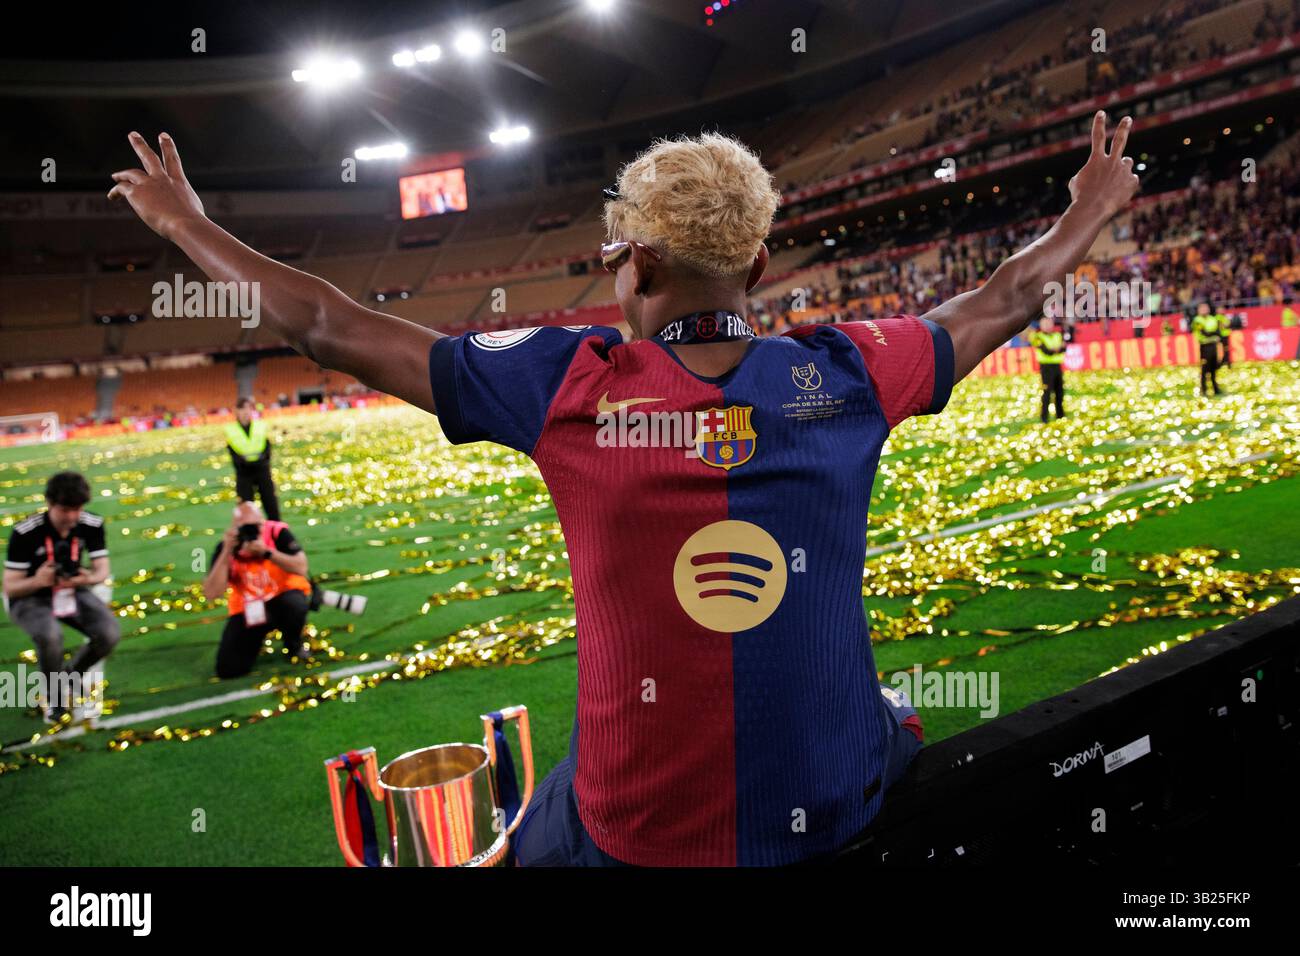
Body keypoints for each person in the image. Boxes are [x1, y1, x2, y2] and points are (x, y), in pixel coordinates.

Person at [107, 110, 1140, 866]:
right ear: (760, 263)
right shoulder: (853, 371)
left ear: (636, 267)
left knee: (530, 826)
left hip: (638, 834)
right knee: (890, 711)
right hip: (835, 809)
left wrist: (187, 224)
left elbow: (327, 325)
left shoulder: (567, 383)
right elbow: (1005, 294)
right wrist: (1087, 209)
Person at [3, 471, 120, 722]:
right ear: (49, 503)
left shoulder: (91, 524)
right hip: (30, 595)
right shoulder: (26, 532)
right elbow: (10, 587)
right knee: (50, 636)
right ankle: (55, 699)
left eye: (77, 509)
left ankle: (72, 674)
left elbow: (102, 570)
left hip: (71, 588)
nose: (73, 517)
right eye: (65, 510)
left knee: (109, 632)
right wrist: (38, 580)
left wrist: (84, 578)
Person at [202, 501, 311, 679]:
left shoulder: (277, 532)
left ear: (263, 521)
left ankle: (293, 643)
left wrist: (267, 552)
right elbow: (211, 593)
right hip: (248, 609)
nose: (251, 532)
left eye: (256, 526)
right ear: (235, 528)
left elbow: (301, 567)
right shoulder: (226, 547)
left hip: (282, 600)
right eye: (245, 527)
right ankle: (254, 642)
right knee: (229, 669)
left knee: (294, 604)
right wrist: (227, 551)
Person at [225, 397, 280, 520]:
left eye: (248, 408)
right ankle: (249, 536)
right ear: (236, 411)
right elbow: (232, 452)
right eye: (242, 408)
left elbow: (267, 448)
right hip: (244, 472)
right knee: (246, 507)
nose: (245, 412)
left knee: (270, 503)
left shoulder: (260, 426)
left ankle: (276, 532)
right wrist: (243, 463)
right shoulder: (230, 429)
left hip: (262, 469)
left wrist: (263, 461)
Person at [1027, 314, 1067, 422]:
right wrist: (1056, 349)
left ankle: (1060, 415)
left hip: (1057, 366)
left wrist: (1055, 349)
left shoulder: (1057, 335)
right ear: (1041, 325)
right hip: (1046, 368)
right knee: (1047, 393)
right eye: (1045, 323)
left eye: (1049, 323)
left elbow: (1064, 348)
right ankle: (1044, 418)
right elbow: (1046, 351)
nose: (1048, 325)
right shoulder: (1038, 337)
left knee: (1060, 392)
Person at [1191, 302, 1223, 396]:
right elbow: (1204, 333)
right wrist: (1213, 333)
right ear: (1198, 310)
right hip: (1204, 347)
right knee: (1205, 369)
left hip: (1213, 346)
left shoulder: (1212, 319)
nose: (1205, 310)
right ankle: (1204, 390)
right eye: (1202, 308)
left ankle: (1215, 389)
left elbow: (1218, 332)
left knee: (1214, 368)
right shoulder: (1197, 320)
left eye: (1206, 308)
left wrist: (1212, 333)